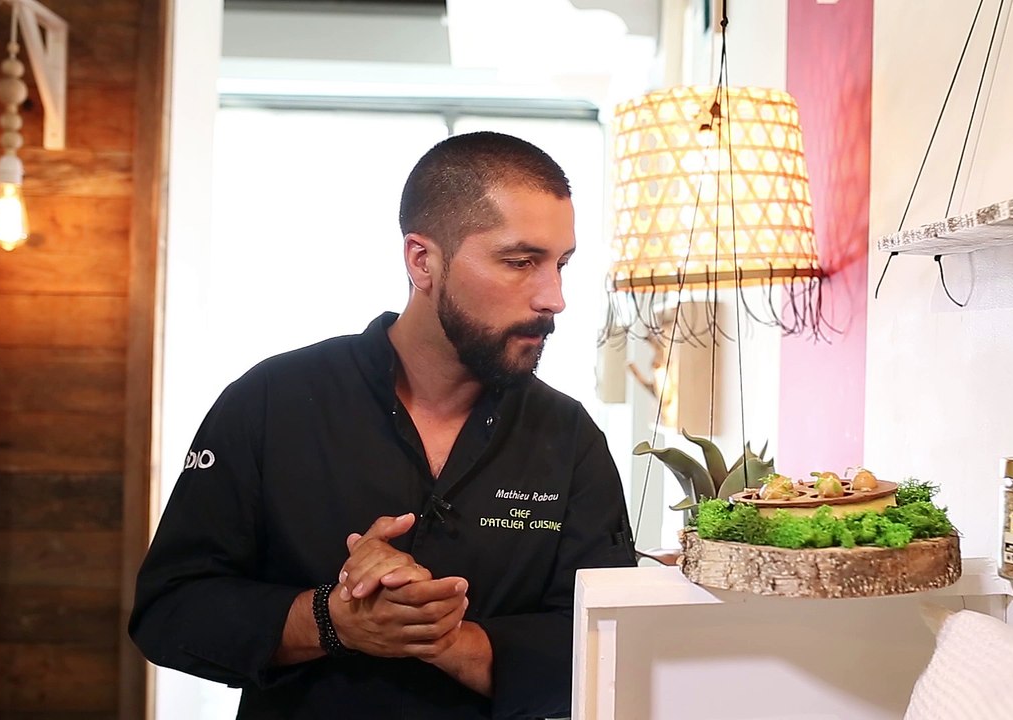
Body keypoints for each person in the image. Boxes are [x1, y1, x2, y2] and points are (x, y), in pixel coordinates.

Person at [129, 131, 637, 719]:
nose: (553, 297)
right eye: (520, 262)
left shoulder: (570, 440)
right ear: (423, 261)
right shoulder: (271, 402)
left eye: (561, 264)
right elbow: (170, 612)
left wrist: (445, 637)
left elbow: (603, 647)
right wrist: (332, 618)